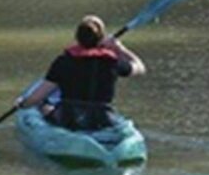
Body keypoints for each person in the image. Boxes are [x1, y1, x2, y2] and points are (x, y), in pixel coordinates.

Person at [15, 15, 146, 132]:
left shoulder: (64, 62)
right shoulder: (111, 62)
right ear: (101, 40)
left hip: (69, 119)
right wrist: (119, 48)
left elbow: (37, 97)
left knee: (44, 105)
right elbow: (140, 67)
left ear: (77, 38)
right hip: (102, 119)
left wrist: (22, 104)